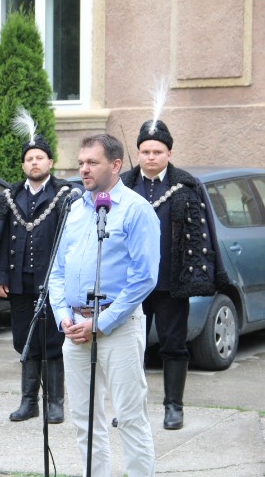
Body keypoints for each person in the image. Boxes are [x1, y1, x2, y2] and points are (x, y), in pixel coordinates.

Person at [48, 134, 160, 476]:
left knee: (129, 418)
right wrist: (63, 316)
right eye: (81, 162)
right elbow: (57, 271)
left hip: (118, 327)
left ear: (115, 165)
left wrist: (101, 323)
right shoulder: (74, 209)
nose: (83, 169)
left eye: (92, 162)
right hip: (74, 329)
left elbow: (144, 277)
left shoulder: (137, 209)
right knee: (84, 420)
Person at [121, 120, 228, 430]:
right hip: (132, 286)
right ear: (138, 153)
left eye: (157, 151)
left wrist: (211, 274)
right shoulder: (124, 186)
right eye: (145, 151)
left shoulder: (187, 185)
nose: (151, 157)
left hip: (171, 283)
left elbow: (205, 231)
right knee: (131, 348)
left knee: (173, 345)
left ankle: (173, 407)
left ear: (169, 153)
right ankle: (130, 407)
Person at [0, 130, 73, 424]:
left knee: (53, 341)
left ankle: (55, 403)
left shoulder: (65, 195)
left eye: (39, 157)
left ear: (50, 162)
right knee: (25, 340)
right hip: (19, 282)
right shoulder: (10, 197)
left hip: (54, 283)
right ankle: (29, 402)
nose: (34, 162)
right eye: (29, 158)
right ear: (23, 165)